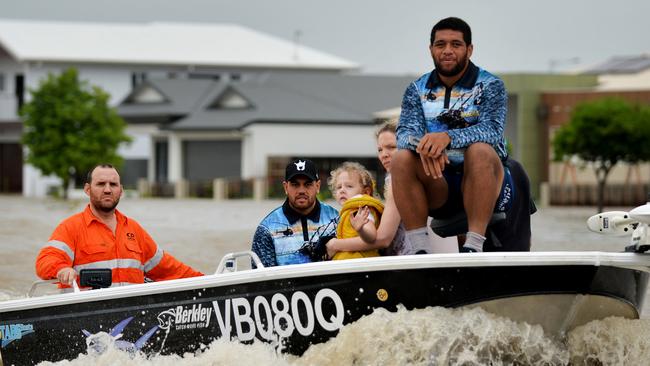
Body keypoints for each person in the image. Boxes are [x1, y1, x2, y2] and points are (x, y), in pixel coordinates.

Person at [392, 17, 530, 253]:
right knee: (401, 158)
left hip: (489, 182)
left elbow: (493, 131)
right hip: (440, 181)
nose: (447, 51)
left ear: (469, 49)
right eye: (440, 44)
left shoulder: (491, 85)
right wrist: (425, 146)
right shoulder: (416, 89)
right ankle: (419, 251)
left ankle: (473, 246)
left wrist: (447, 138)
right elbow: (404, 134)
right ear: (431, 49)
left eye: (455, 44)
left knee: (480, 150)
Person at [35, 164, 203, 287]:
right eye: (101, 184)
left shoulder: (134, 229)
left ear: (121, 191)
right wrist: (61, 270)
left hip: (133, 315)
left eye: (113, 185)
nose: (107, 190)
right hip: (84, 316)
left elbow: (170, 269)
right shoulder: (71, 227)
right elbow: (45, 261)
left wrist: (208, 280)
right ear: (87, 189)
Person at [251, 158, 339, 267]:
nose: (301, 190)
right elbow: (262, 279)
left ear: (317, 186)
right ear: (286, 187)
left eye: (307, 184)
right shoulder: (267, 229)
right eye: (295, 184)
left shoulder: (337, 219)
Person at [327, 161, 384, 260]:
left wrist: (361, 229)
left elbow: (371, 236)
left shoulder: (360, 209)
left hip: (359, 265)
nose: (342, 190)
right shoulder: (350, 210)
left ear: (366, 191)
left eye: (349, 186)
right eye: (339, 187)